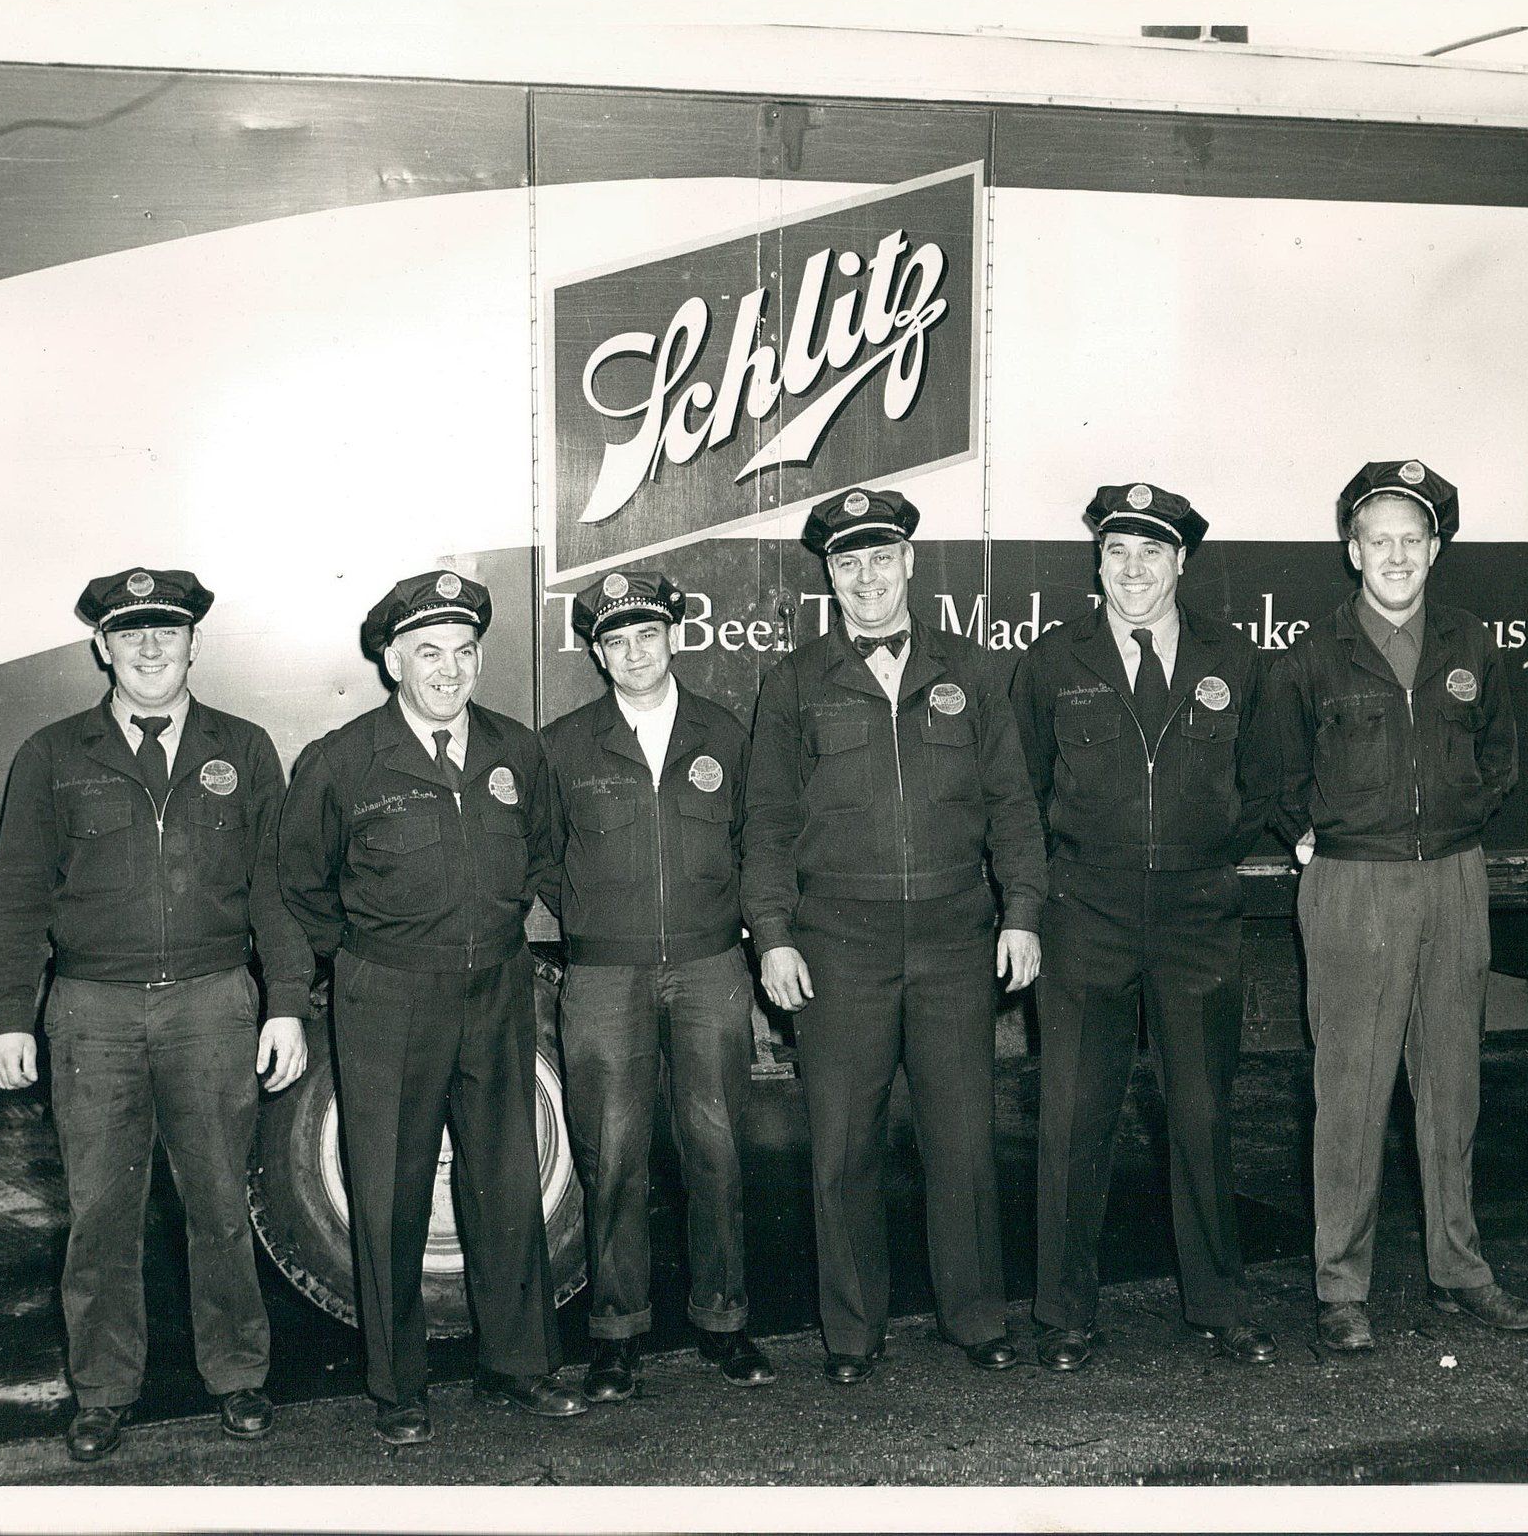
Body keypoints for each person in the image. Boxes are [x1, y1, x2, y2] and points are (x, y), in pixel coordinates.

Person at [0, 567, 312, 1462]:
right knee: (100, 1215)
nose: (151, 648)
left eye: (167, 631)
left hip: (212, 1005)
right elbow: (15, 896)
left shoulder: (242, 748)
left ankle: (238, 1377)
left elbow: (274, 893)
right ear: (102, 647)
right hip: (92, 1014)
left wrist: (285, 1003)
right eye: (132, 634)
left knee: (218, 1206)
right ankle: (103, 1391)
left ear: (195, 643)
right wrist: (12, 1013)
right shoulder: (52, 754)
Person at [744, 487, 1045, 1384]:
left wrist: (1022, 913)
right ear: (828, 577)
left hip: (956, 936)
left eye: (882, 558)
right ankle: (851, 1331)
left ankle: (976, 1315)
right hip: (839, 943)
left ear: (910, 563)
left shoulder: (974, 671)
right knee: (842, 1145)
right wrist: (774, 936)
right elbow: (764, 824)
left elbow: (1013, 809)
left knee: (961, 1137)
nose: (867, 577)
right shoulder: (794, 682)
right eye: (848, 563)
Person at [276, 570, 584, 1441]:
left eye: (462, 651)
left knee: (507, 1180)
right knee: (389, 1192)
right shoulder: (342, 760)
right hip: (388, 995)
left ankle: (517, 1366)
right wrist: (367, 955)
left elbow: (541, 853)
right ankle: (399, 1387)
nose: (448, 670)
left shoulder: (515, 751)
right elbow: (301, 882)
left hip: (495, 983)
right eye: (427, 652)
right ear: (391, 663)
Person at [1267, 460, 1528, 1352]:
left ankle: (1459, 1271)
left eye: (1411, 539)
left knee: (1452, 1087)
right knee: (1349, 1090)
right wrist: (1315, 836)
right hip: (1354, 884)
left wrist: (1459, 820)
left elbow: (1500, 754)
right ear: (1353, 551)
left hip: (1454, 881)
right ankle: (1340, 1289)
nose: (1396, 555)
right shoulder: (1314, 654)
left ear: (1435, 549)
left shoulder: (1469, 643)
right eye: (1378, 539)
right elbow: (1274, 774)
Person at [1011, 484, 1279, 1372]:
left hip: (1198, 913)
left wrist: (1205, 854)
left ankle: (1219, 1303)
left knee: (1202, 1114)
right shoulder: (1055, 662)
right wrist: (1056, 884)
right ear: (1097, 562)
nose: (1134, 570)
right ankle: (1065, 1316)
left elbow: (1265, 785)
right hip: (1086, 909)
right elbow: (1019, 793)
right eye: (1118, 551)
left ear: (1182, 564)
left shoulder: (1232, 660)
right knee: (1074, 1117)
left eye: (1152, 553)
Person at [541, 570, 774, 1404]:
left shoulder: (724, 732)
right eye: (615, 641)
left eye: (646, 634)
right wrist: (594, 920)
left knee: (715, 1147)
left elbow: (758, 836)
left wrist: (735, 928)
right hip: (604, 974)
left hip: (711, 966)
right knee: (612, 1156)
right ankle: (616, 1336)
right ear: (598, 655)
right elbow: (542, 851)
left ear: (672, 636)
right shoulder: (563, 744)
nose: (633, 652)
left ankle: (724, 1320)